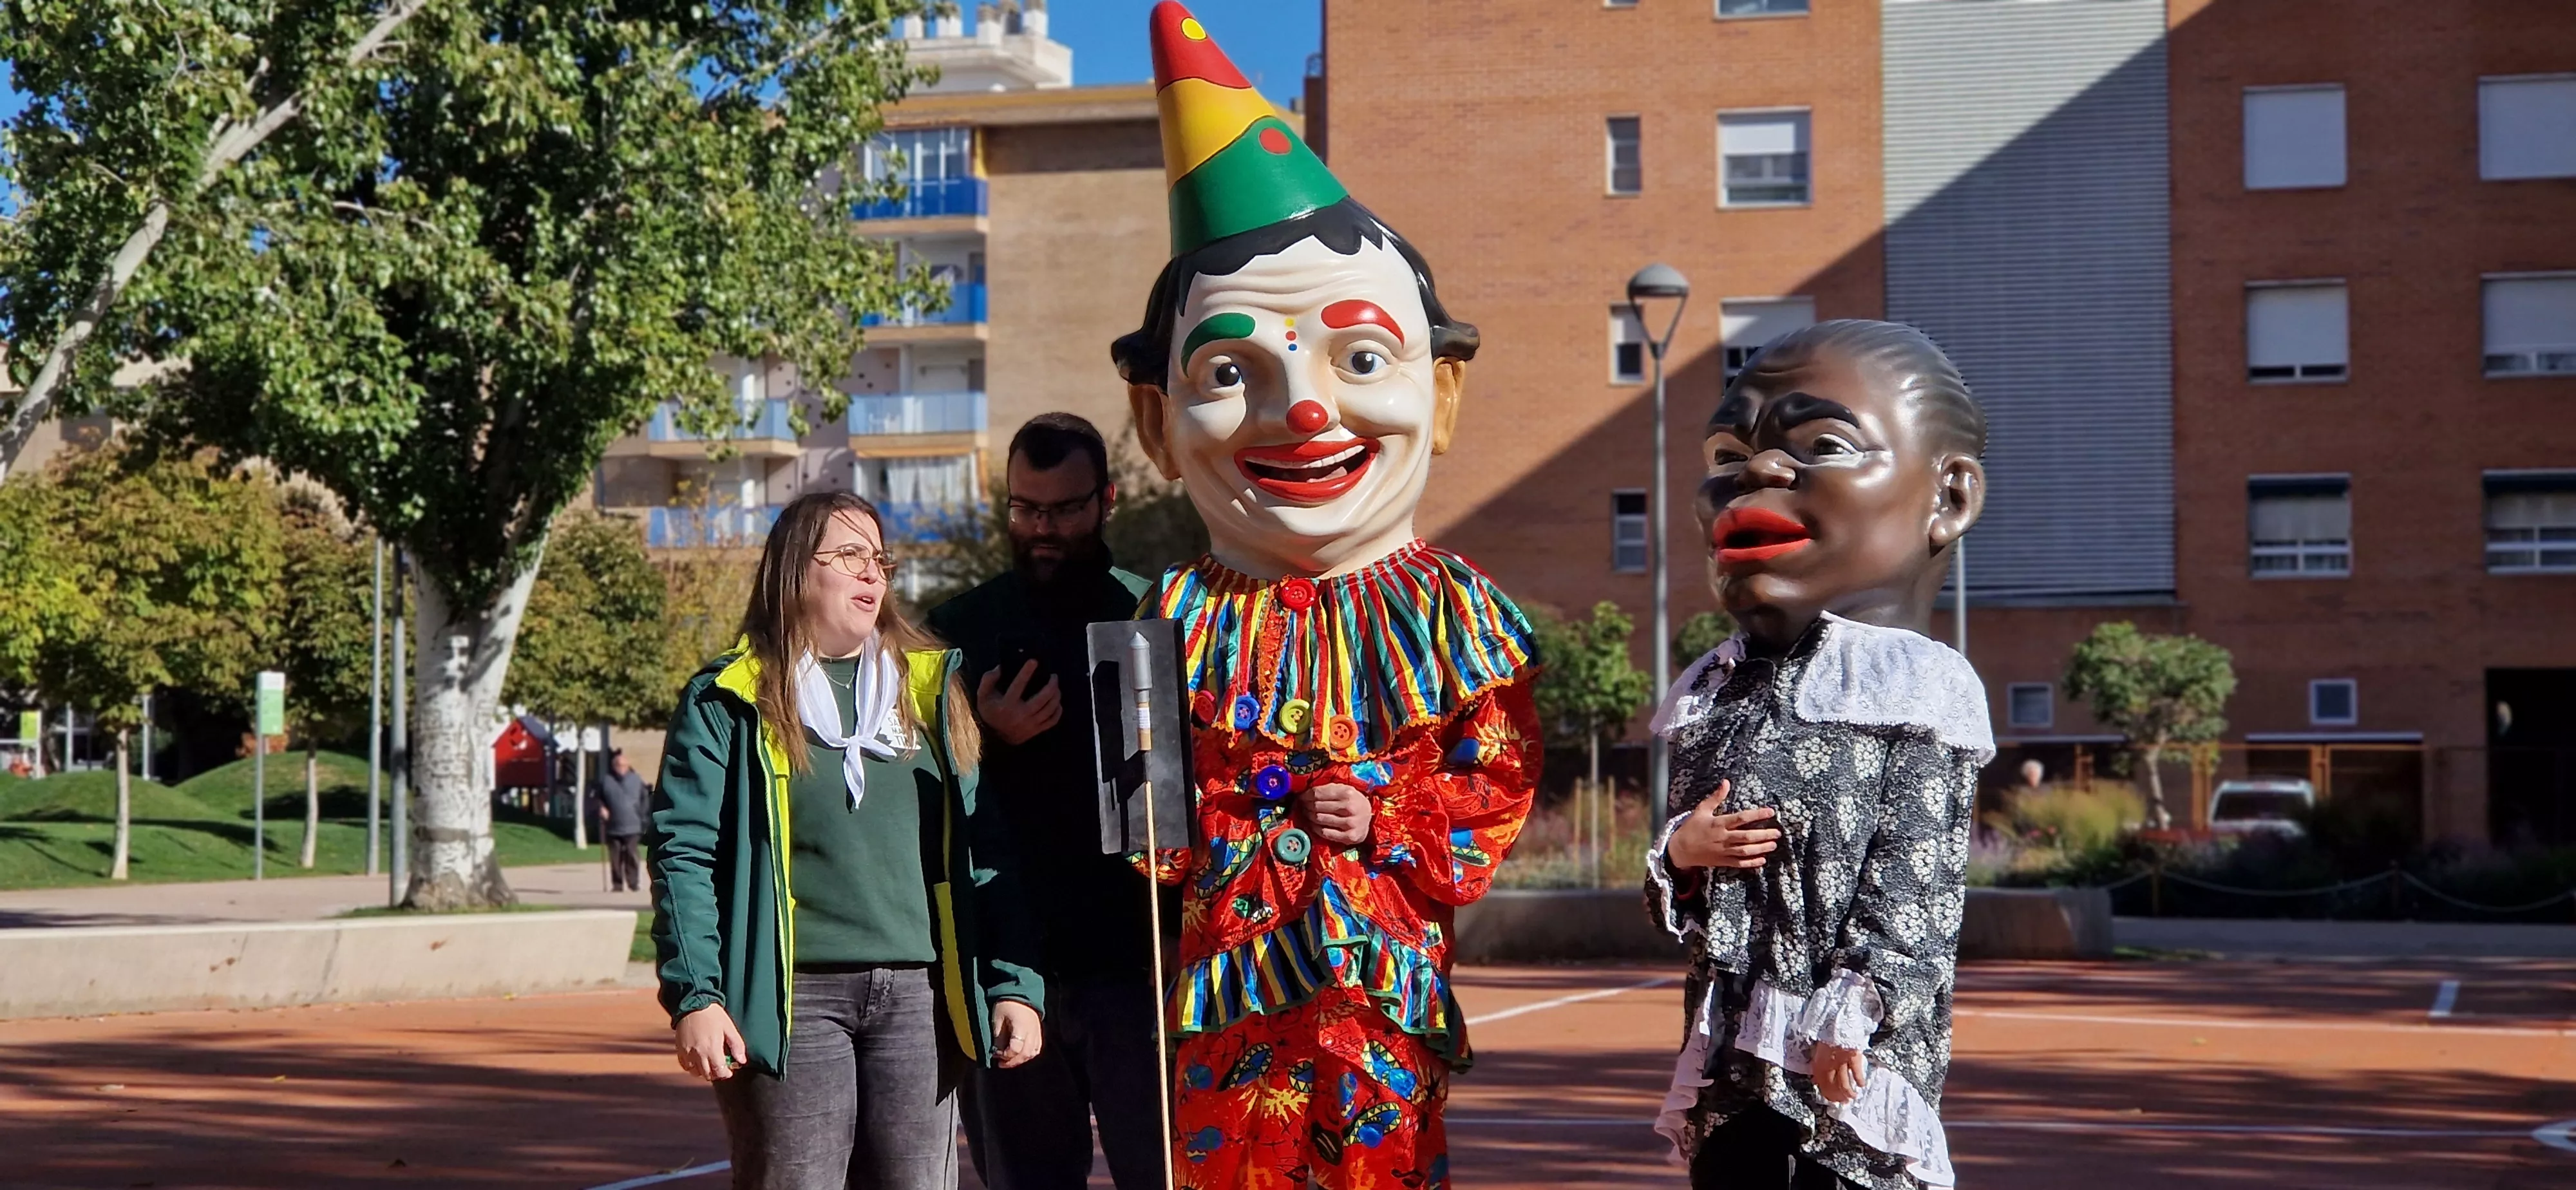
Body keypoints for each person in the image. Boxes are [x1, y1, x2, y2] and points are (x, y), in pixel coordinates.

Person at [1108, 7, 1542, 1186]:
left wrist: (1390, 820)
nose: (1303, 409)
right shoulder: (1166, 619)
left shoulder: (1456, 613)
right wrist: (1198, 826)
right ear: (1158, 422)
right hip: (1228, 996)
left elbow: (1497, 779)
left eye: (1360, 360)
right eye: (1232, 369)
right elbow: (1137, 828)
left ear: (1440, 395)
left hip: (1383, 987)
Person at [1645, 320, 1994, 1190]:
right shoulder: (1712, 688)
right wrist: (1683, 854)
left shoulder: (1919, 685)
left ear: (1946, 501)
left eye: (1824, 445)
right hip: (1732, 1044)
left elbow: (1917, 877)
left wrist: (1857, 1009)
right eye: (1729, 451)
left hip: (1849, 1052)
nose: (1756, 474)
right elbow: (1684, 872)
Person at [647, 491, 1046, 1190]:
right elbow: (685, 855)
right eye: (850, 556)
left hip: (919, 1000)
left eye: (880, 560)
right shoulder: (731, 698)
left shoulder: (928, 691)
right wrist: (696, 996)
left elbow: (989, 852)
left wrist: (1014, 986)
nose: (873, 575)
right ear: (797, 570)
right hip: (791, 998)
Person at [929, 413, 1168, 1190]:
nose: (1044, 529)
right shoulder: (955, 632)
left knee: (1167, 1173)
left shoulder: (1159, 617)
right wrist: (986, 738)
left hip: (1140, 967)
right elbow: (923, 798)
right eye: (1026, 509)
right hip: (1008, 967)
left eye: (1064, 510)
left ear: (1106, 501)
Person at [591, 750, 651, 892]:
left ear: (628, 766)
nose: (621, 768)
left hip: (633, 824)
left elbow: (645, 798)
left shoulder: (636, 779)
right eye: (618, 765)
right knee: (615, 857)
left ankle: (633, 883)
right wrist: (601, 808)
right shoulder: (606, 781)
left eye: (624, 765)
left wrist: (642, 815)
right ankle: (617, 884)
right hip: (613, 825)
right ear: (613, 766)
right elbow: (597, 799)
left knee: (631, 854)